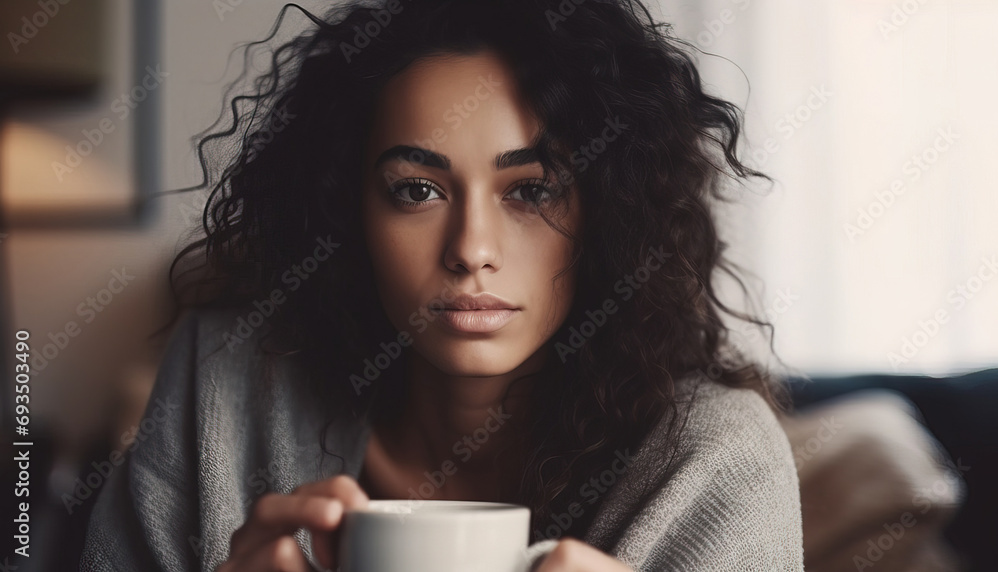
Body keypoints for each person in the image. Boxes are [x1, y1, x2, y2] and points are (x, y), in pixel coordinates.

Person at [80, 0, 804, 570]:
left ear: (609, 214)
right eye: (417, 190)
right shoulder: (226, 379)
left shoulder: (716, 460)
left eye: (533, 190)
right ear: (346, 212)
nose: (471, 251)